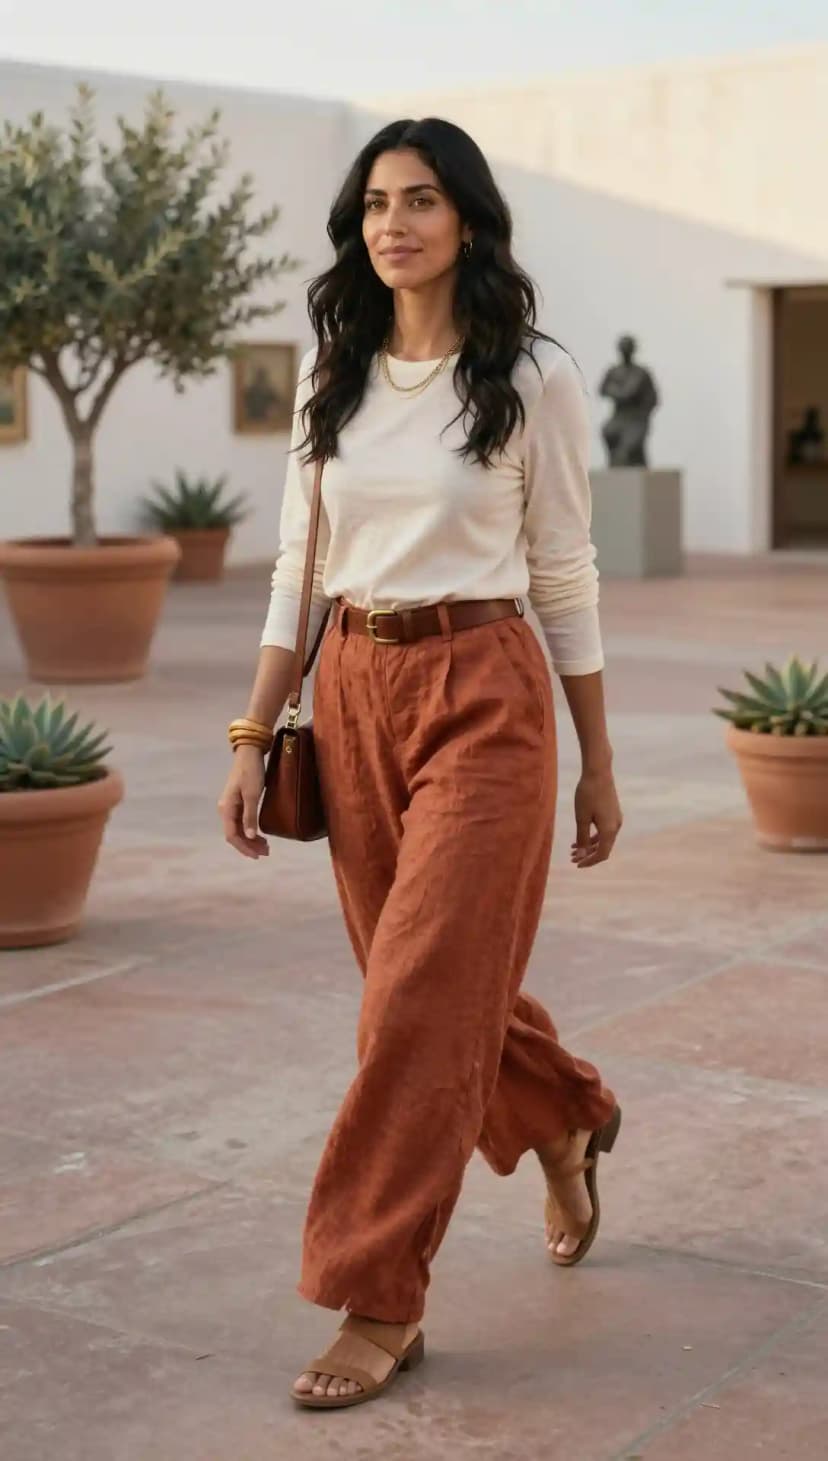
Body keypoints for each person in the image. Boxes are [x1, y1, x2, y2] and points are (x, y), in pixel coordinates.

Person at [218, 116, 623, 1411]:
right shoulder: (332, 374)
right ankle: (562, 1114)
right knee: (432, 988)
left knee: (412, 1004)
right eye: (377, 203)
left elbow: (563, 569)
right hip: (353, 699)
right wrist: (252, 732)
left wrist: (598, 757)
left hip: (487, 692)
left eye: (422, 201)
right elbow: (298, 566)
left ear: (468, 223)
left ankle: (377, 1292)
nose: (394, 223)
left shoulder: (532, 375)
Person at [599, 334, 659, 467]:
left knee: (628, 448)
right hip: (618, 417)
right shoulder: (613, 371)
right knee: (608, 432)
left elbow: (653, 399)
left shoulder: (641, 373)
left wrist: (643, 415)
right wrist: (619, 393)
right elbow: (603, 389)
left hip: (636, 419)